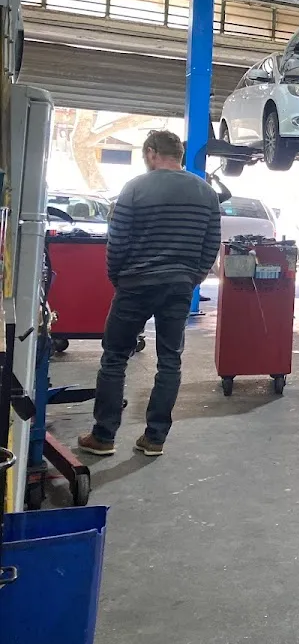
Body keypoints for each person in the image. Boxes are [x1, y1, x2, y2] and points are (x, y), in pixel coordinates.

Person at [77, 130, 222, 457]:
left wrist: (117, 277)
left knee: (115, 357)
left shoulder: (135, 188)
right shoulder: (206, 193)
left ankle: (104, 436)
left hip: (135, 284)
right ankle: (155, 438)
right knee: (170, 361)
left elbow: (117, 240)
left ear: (152, 152)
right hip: (179, 285)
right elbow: (212, 243)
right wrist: (193, 276)